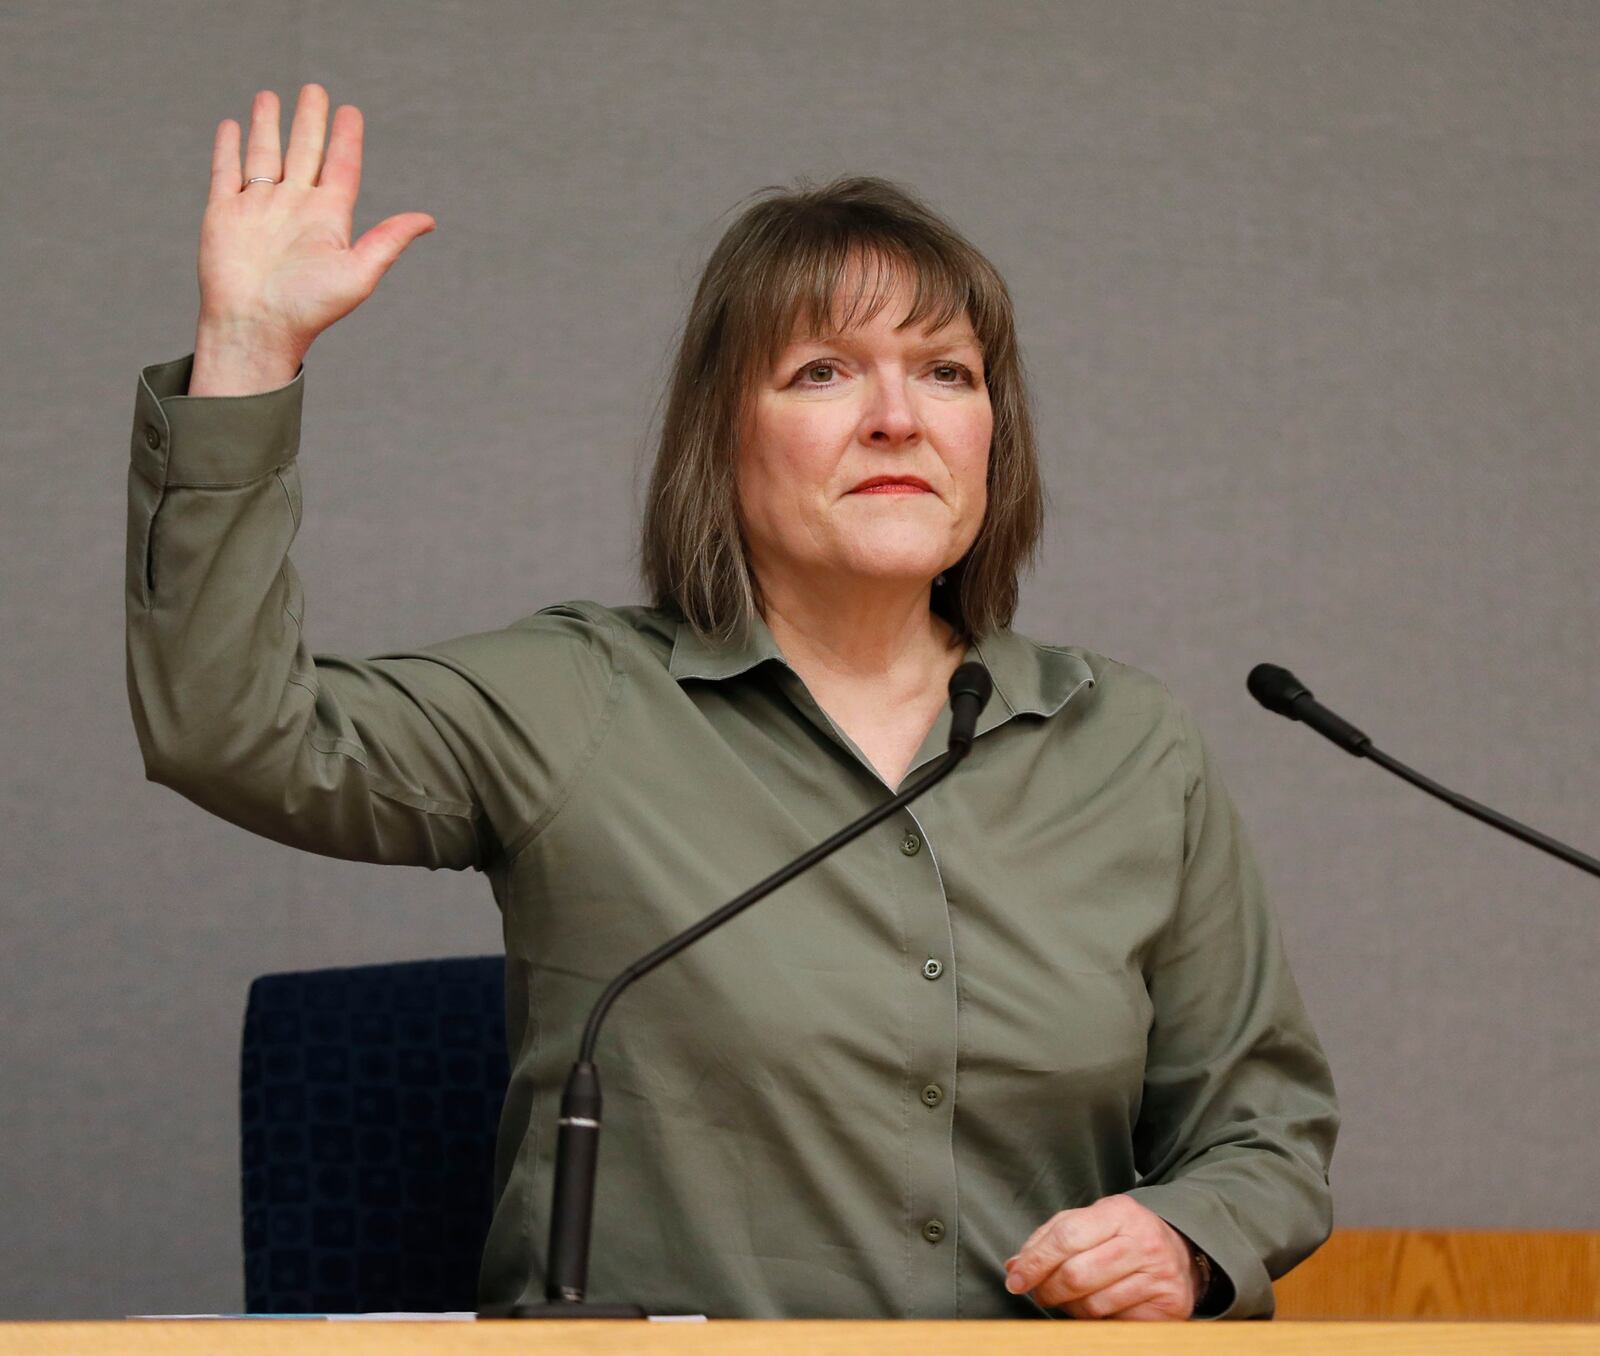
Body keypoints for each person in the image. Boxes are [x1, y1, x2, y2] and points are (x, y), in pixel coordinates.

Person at [124, 83, 1339, 1321]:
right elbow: (228, 728)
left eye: (947, 372)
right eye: (822, 372)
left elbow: (1265, 1129)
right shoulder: (574, 701)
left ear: (992, 435)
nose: (896, 419)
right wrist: (245, 355)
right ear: (724, 435)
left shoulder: (1129, 747)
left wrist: (1183, 1240)